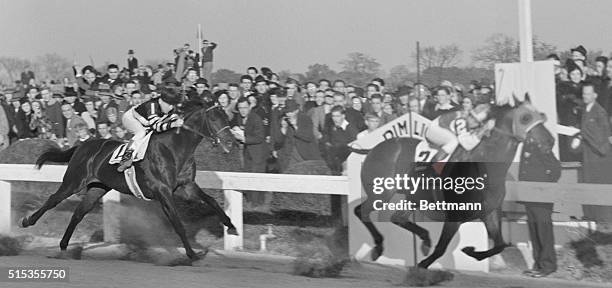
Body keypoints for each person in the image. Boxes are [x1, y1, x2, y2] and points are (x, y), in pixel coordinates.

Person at [117, 87, 184, 172]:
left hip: (146, 121)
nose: (171, 108)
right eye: (169, 104)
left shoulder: (168, 106)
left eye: (173, 105)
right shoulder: (152, 106)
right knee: (141, 133)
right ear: (161, 101)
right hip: (131, 117)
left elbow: (173, 118)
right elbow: (156, 127)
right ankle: (126, 157)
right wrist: (173, 124)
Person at [273, 100, 322, 172]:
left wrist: (295, 126)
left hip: (304, 155)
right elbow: (278, 140)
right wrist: (283, 128)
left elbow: (308, 137)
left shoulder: (305, 119)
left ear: (296, 111)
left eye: (291, 112)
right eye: (287, 112)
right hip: (288, 157)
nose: (288, 114)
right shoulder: (284, 120)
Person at [322, 105, 358, 175]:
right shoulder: (331, 127)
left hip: (347, 160)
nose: (335, 119)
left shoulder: (351, 128)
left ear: (343, 116)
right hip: (335, 161)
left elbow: (354, 145)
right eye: (333, 116)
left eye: (337, 116)